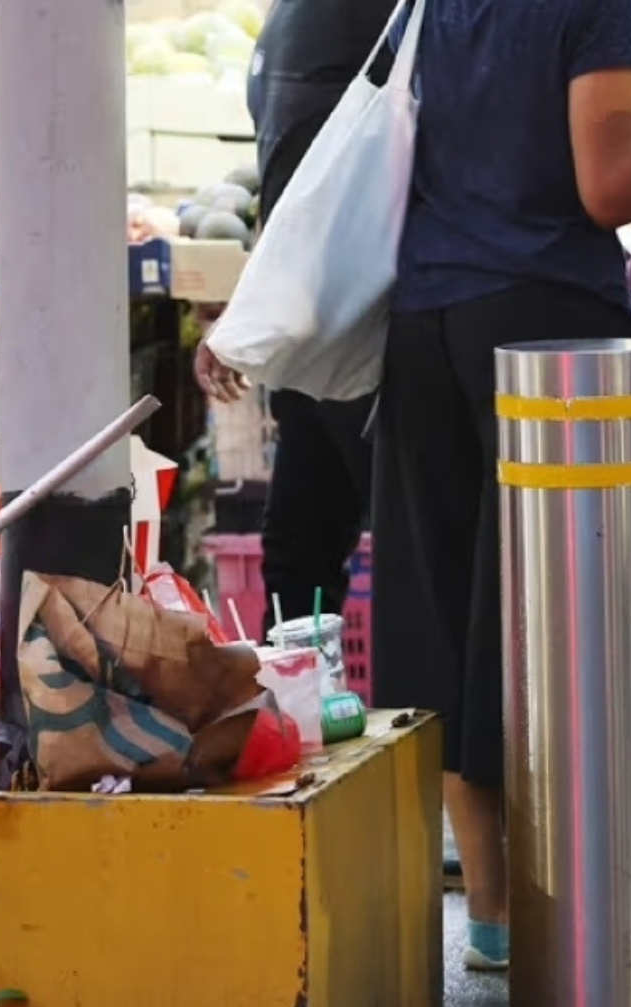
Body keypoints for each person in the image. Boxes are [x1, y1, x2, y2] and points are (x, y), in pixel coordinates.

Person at [373, 0, 631, 971]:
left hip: (421, 320)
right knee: (553, 622)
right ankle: (573, 912)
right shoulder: (595, 7)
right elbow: (610, 189)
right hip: (545, 332)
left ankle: (490, 910)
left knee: (446, 610)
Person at [194, 0, 393, 636]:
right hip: (314, 326)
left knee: (370, 547)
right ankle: (306, 710)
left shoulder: (366, 19)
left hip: (360, 326)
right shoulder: (297, 21)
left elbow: (340, 177)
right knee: (299, 551)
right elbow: (295, 174)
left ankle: (408, 721)